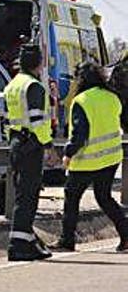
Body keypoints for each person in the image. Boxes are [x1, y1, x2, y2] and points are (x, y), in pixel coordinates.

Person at [51, 62, 128, 252]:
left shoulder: (81, 100)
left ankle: (67, 240)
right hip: (111, 158)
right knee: (105, 198)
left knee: (72, 197)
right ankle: (126, 236)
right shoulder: (112, 97)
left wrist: (68, 154)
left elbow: (79, 134)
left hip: (86, 160)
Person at [3, 44, 55, 261]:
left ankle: (23, 240)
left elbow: (7, 119)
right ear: (39, 64)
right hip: (30, 144)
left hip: (16, 142)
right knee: (29, 196)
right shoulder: (34, 87)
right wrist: (48, 145)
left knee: (22, 195)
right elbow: (37, 122)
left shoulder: (12, 85)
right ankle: (19, 245)